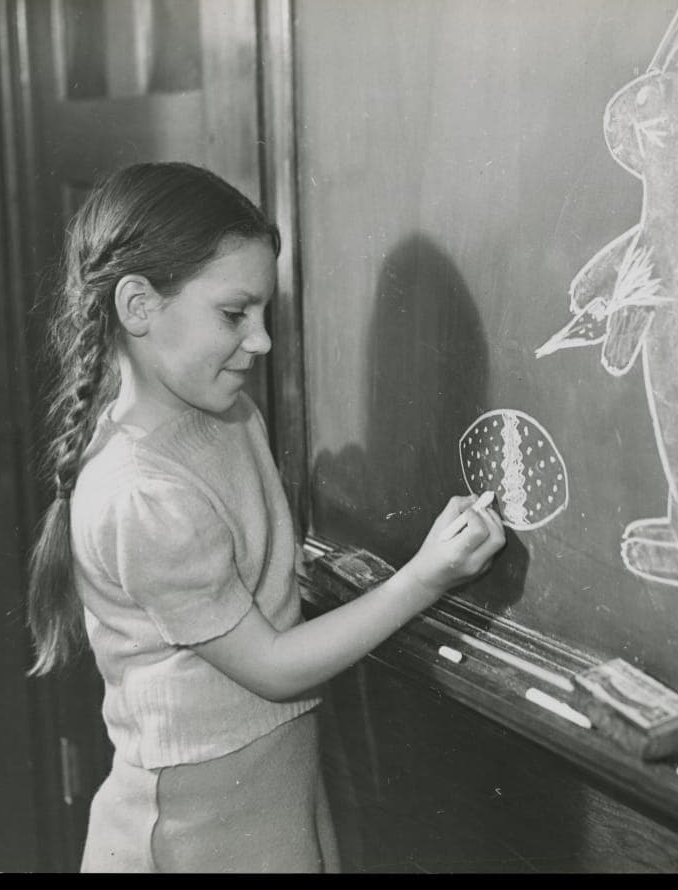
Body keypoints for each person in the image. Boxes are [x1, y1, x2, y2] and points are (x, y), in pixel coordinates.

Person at [25, 161, 506, 873]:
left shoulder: (225, 410)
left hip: (273, 781)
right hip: (202, 816)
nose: (263, 341)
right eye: (234, 314)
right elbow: (273, 669)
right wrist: (425, 578)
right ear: (138, 306)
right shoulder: (139, 495)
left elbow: (242, 540)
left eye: (264, 315)